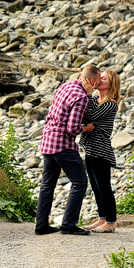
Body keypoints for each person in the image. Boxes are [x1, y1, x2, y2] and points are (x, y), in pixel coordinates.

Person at [35, 65, 100, 236]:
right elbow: (72, 128)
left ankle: (41, 226)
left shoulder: (66, 86)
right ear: (91, 81)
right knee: (80, 182)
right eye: (98, 82)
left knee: (47, 184)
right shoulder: (81, 98)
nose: (98, 85)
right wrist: (87, 128)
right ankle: (68, 225)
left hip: (48, 140)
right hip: (62, 145)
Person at [80, 69, 121, 233]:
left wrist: (88, 94)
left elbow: (89, 115)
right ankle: (102, 218)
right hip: (90, 149)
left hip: (101, 150)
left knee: (104, 187)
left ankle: (111, 222)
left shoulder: (110, 104)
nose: (99, 79)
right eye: (100, 77)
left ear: (111, 84)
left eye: (104, 78)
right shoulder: (96, 99)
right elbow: (84, 115)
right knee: (96, 187)